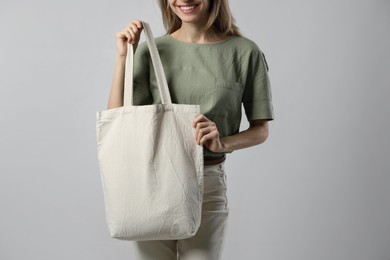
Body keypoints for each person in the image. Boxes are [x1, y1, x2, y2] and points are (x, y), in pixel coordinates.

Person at [107, 0, 274, 259]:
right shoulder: (152, 51)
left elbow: (261, 129)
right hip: (152, 181)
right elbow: (119, 121)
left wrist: (223, 143)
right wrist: (122, 57)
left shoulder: (244, 52)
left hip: (206, 183)